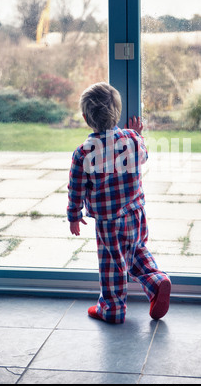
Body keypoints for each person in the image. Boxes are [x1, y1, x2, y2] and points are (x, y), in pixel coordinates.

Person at [67, 82, 171, 324]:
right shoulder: (133, 140)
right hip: (136, 214)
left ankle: (112, 309)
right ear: (119, 113)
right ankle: (157, 282)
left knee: (113, 264)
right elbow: (143, 156)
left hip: (108, 220)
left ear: (85, 117)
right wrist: (137, 134)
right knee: (136, 251)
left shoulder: (83, 153)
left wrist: (74, 215)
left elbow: (76, 189)